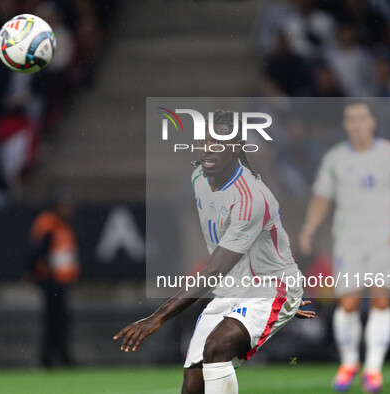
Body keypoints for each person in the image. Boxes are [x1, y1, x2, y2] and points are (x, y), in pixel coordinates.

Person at [114, 110, 315, 394]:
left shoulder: (250, 199)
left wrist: (157, 316)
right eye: (204, 141)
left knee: (217, 346)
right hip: (232, 290)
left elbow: (212, 271)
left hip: (271, 289)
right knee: (193, 383)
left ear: (235, 148)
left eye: (218, 143)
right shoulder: (199, 178)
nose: (208, 148)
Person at [299, 100, 390, 393]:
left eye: (362, 118)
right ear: (345, 124)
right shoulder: (335, 158)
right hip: (349, 240)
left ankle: (373, 369)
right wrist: (310, 228)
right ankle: (349, 361)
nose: (357, 123)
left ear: (372, 122)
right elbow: (322, 197)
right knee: (349, 303)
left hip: (384, 240)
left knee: (380, 301)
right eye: (351, 118)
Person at [28, 191, 80, 367]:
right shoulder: (49, 225)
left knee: (60, 321)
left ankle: (58, 355)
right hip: (52, 282)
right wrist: (42, 277)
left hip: (60, 281)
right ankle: (50, 357)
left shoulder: (61, 225)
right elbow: (39, 253)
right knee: (55, 322)